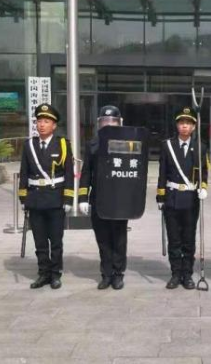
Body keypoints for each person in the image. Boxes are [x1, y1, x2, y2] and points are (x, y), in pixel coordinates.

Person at [18, 103, 74, 290]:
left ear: (54, 125)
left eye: (46, 121)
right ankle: (43, 273)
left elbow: (69, 173)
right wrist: (23, 198)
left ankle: (56, 273)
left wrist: (68, 199)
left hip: (55, 198)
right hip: (35, 199)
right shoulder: (29, 145)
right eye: (39, 121)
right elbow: (24, 173)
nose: (41, 125)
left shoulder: (63, 145)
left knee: (56, 241)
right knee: (40, 240)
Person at [156, 107, 209, 290]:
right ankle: (175, 274)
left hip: (191, 199)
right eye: (181, 123)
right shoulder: (167, 145)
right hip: (171, 198)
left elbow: (204, 171)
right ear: (177, 125)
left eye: (188, 123)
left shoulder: (201, 146)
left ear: (194, 127)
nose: (185, 126)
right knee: (174, 239)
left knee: (188, 239)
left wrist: (203, 187)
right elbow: (162, 172)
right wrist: (160, 196)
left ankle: (187, 275)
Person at [78, 105, 128, 290]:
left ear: (119, 123)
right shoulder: (93, 144)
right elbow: (86, 172)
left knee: (119, 238)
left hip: (119, 199)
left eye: (112, 121)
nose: (108, 124)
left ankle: (118, 274)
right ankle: (106, 274)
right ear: (100, 123)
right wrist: (83, 198)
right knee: (103, 239)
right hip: (98, 198)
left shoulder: (126, 143)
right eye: (105, 121)